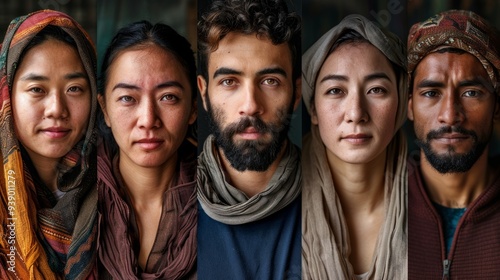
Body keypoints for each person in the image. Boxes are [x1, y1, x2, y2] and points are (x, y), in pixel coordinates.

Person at [196, 0, 302, 278]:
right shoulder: (174, 200)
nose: (251, 105)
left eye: (270, 81)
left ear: (297, 92)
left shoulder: (331, 197)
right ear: (204, 93)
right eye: (229, 81)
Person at [301, 15, 407, 280]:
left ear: (402, 102)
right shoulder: (280, 201)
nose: (356, 113)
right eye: (336, 91)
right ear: (313, 108)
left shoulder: (435, 199)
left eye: (376, 90)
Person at [0, 10, 98, 279]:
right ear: (7, 96)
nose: (56, 109)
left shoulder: (119, 184)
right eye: (37, 90)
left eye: (74, 88)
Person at [96, 21, 197, 279]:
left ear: (193, 109)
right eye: (128, 98)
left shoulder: (219, 202)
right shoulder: (75, 198)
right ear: (105, 109)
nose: (148, 119)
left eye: (168, 97)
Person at [407, 10, 500, 279]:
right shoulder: (380, 205)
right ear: (410, 106)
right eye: (431, 93)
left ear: (496, 107)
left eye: (471, 92)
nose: (449, 114)